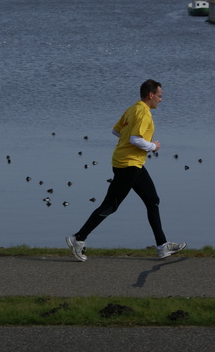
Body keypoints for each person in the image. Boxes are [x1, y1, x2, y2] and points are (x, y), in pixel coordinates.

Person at [66, 79, 186, 262]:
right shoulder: (143, 112)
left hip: (131, 163)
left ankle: (162, 246)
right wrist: (153, 146)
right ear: (151, 95)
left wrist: (130, 144)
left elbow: (116, 132)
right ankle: (78, 238)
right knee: (111, 205)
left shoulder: (132, 109)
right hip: (128, 165)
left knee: (152, 200)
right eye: (160, 96)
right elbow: (135, 139)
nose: (161, 100)